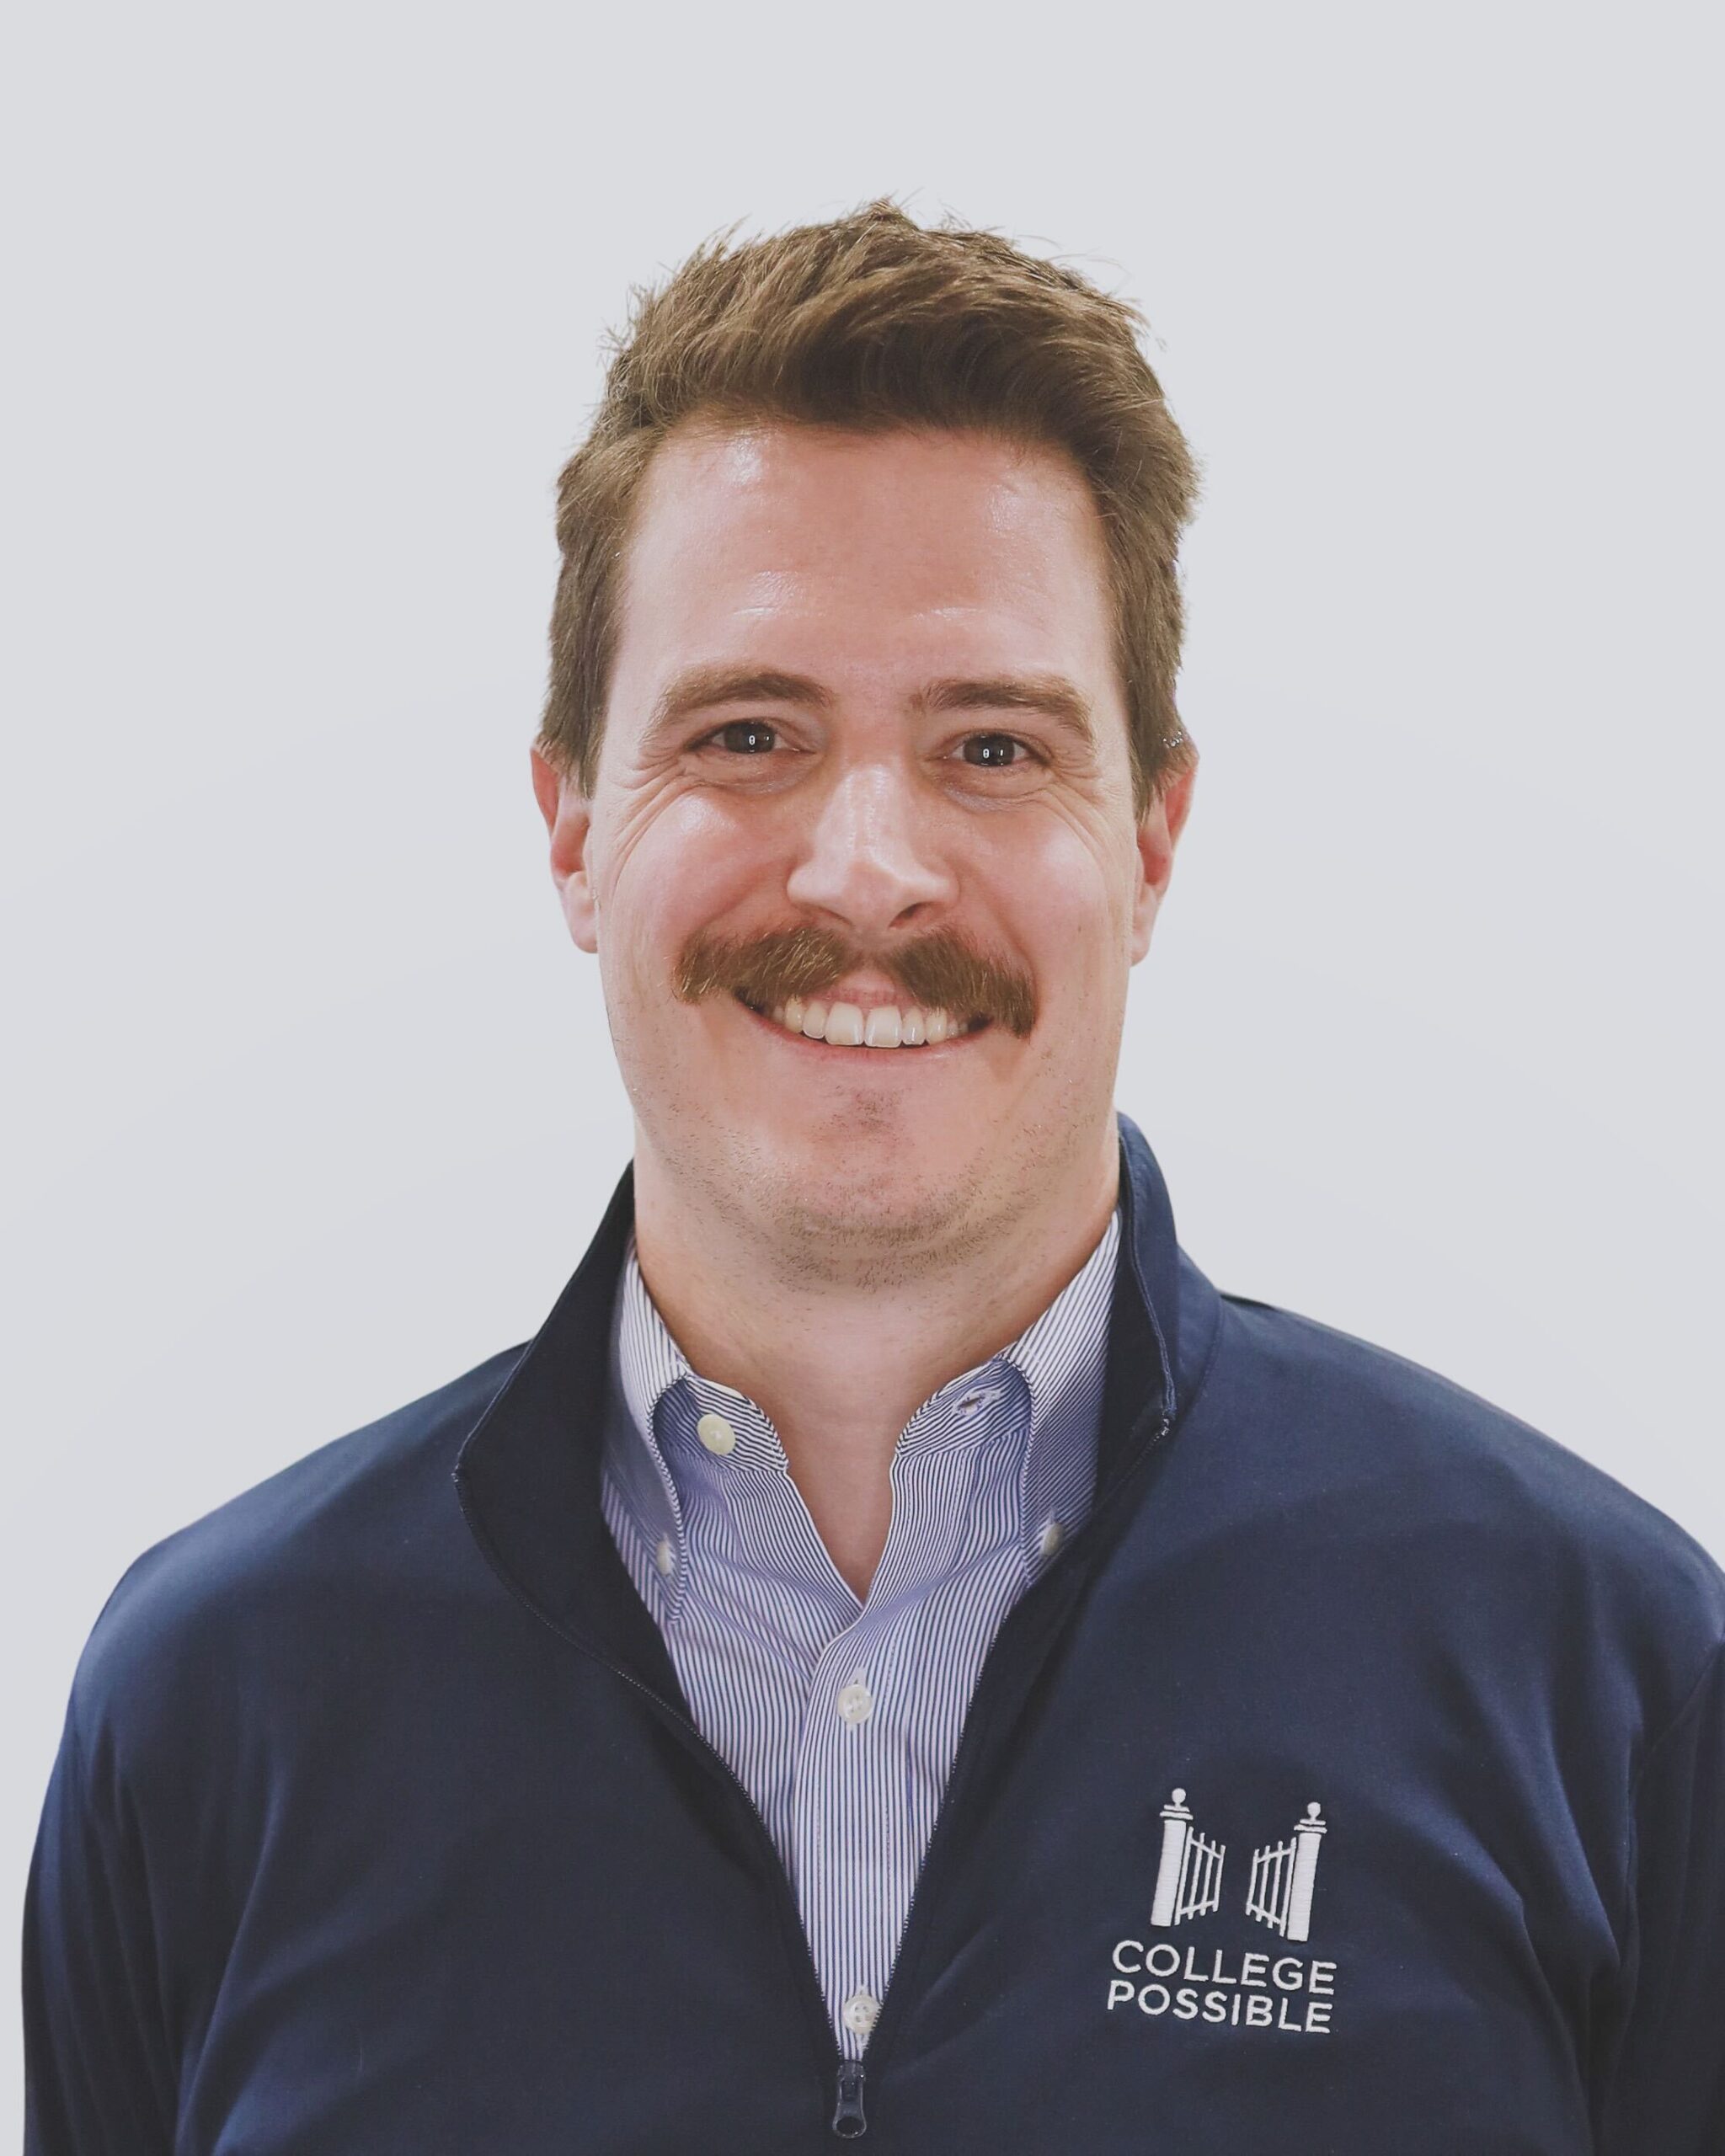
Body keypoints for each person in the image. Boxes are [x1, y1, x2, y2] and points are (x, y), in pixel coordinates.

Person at [22, 201, 1724, 2155]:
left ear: (1153, 839)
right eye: (747, 733)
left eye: (991, 745)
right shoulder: (216, 1703)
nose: (863, 869)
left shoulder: (1597, 1676)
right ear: (571, 823)